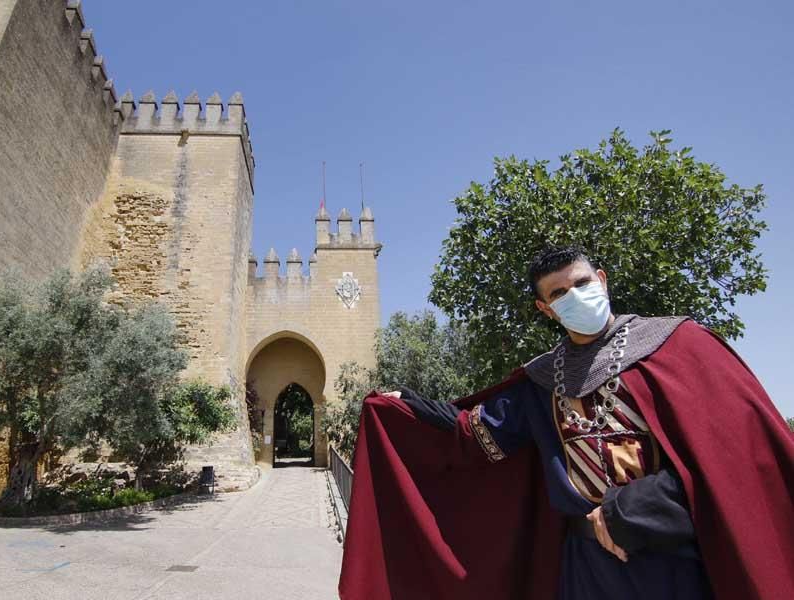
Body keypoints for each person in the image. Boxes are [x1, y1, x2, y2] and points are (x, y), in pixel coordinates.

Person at [338, 246, 794, 600]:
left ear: (601, 279)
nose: (574, 296)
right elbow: (471, 435)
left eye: (580, 283)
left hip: (669, 560)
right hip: (587, 568)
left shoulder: (677, 347)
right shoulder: (541, 381)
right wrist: (406, 405)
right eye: (558, 293)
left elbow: (732, 462)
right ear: (545, 309)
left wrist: (629, 512)